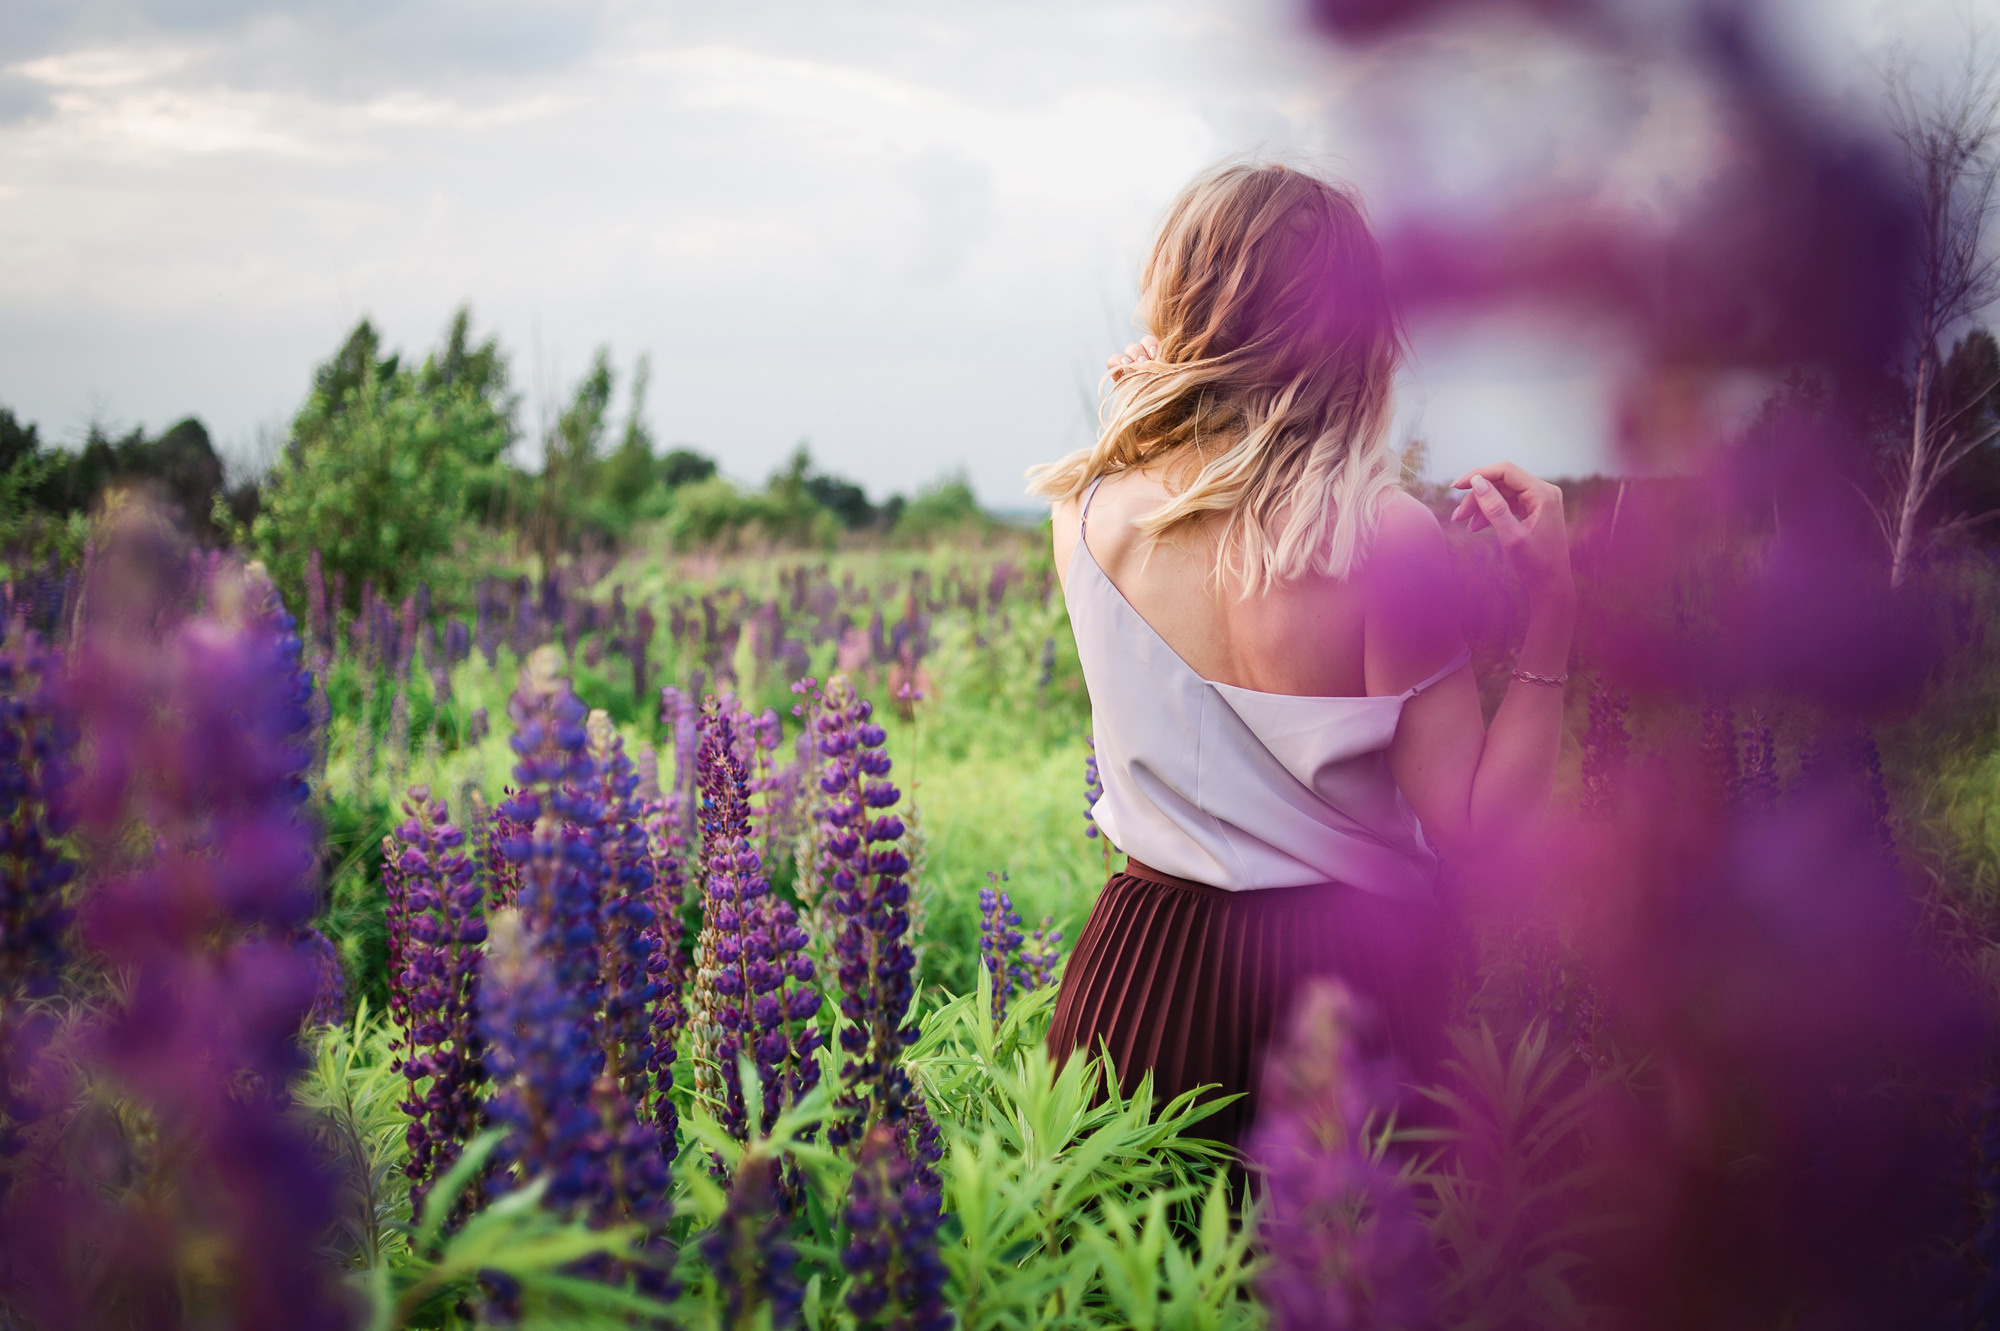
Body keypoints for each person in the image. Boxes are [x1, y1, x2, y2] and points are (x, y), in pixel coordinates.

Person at [1029, 161, 1575, 1150]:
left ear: (1171, 303)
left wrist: (1158, 399)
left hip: (1138, 979)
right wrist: (1553, 607)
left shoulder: (1084, 509)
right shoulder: (1379, 536)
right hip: (1347, 992)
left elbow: (1162, 473)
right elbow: (1478, 834)